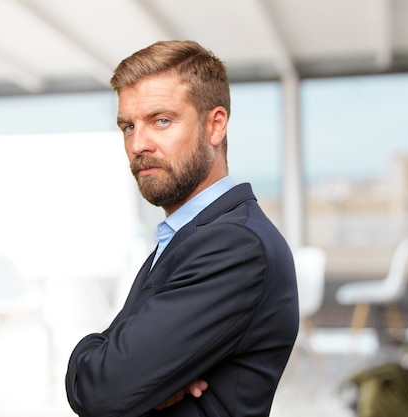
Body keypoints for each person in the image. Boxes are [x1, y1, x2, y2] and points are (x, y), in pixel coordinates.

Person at [65, 40, 299, 417]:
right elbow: (117, 375)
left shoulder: (235, 245)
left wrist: (96, 357)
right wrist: (130, 371)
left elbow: (102, 391)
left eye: (161, 120)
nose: (138, 144)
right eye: (128, 126)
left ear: (215, 125)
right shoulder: (186, 235)